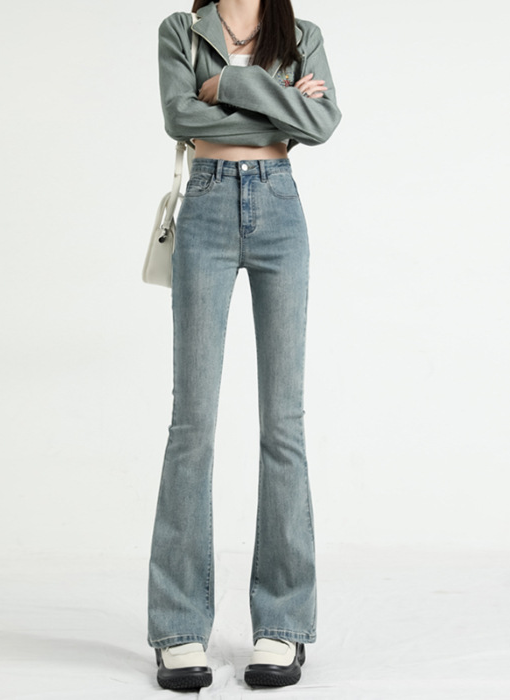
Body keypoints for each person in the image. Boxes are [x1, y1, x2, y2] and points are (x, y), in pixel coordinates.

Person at [147, 0, 341, 690]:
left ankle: (282, 625)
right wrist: (282, 105)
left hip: (280, 208)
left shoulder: (302, 35)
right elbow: (181, 118)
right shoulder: (181, 30)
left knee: (283, 423)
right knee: (192, 423)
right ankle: (178, 627)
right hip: (204, 207)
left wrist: (228, 84)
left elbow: (322, 123)